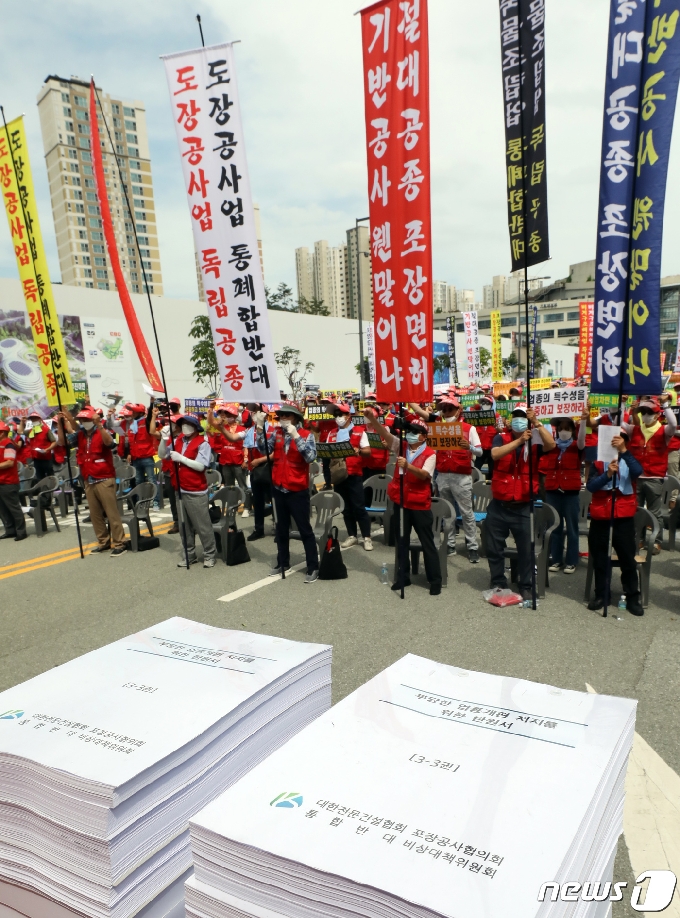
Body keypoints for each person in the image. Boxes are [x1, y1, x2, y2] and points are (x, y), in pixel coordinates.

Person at [363, 409, 442, 595]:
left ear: (423, 436)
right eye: (410, 431)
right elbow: (385, 434)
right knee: (402, 541)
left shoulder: (431, 453)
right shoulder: (402, 446)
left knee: (427, 542)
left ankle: (435, 580)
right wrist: (373, 419)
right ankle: (403, 577)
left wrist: (408, 466)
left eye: (415, 432)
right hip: (401, 502)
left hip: (420, 504)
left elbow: (425, 475)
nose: (411, 435)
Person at [486, 404, 556, 600]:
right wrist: (519, 442)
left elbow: (551, 445)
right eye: (516, 417)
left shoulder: (535, 438)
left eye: (523, 417)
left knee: (526, 549)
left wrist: (537, 424)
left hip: (523, 505)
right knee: (494, 547)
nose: (519, 420)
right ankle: (498, 580)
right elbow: (495, 454)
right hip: (499, 503)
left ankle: (525, 584)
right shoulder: (502, 437)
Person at [410, 396, 482, 561]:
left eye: (451, 408)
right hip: (442, 475)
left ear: (459, 410)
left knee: (466, 513)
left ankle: (472, 546)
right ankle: (449, 544)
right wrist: (407, 397)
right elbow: (419, 411)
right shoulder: (437, 426)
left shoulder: (468, 428)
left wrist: (469, 447)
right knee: (447, 513)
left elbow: (480, 451)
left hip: (462, 476)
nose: (447, 412)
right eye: (444, 409)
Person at [256, 401, 319, 582]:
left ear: (296, 418)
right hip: (278, 487)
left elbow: (310, 457)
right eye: (281, 416)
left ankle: (313, 566)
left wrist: (296, 436)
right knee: (281, 529)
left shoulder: (306, 435)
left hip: (297, 489)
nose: (283, 419)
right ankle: (283, 562)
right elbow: (262, 448)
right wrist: (260, 428)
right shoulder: (276, 433)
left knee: (304, 529)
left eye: (287, 416)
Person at [57, 407, 127, 556]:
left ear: (93, 421)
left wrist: (100, 425)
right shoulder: (80, 435)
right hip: (88, 478)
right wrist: (61, 422)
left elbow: (110, 443)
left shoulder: (101, 431)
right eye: (82, 420)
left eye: (86, 420)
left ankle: (120, 542)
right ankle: (103, 541)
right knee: (95, 514)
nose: (84, 423)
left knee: (111, 512)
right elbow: (63, 442)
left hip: (104, 477)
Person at [586, 433, 644, 615]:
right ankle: (602, 594)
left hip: (623, 516)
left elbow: (637, 472)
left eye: (620, 440)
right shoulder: (597, 462)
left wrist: (624, 451)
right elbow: (591, 486)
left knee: (627, 559)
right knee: (601, 559)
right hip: (601, 516)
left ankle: (633, 597)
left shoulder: (628, 457)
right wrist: (607, 474)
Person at [158, 413, 217, 568]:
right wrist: (164, 440)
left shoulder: (202, 442)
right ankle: (189, 554)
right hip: (180, 488)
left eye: (187, 423)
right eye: (182, 423)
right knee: (184, 526)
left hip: (195, 490)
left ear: (195, 427)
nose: (184, 426)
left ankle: (210, 553)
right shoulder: (178, 440)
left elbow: (201, 465)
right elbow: (162, 454)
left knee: (202, 525)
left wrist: (182, 459)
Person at [624, 396, 677, 554]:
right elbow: (618, 423)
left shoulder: (665, 430)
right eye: (643, 412)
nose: (645, 415)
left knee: (655, 512)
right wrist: (624, 405)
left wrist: (665, 404)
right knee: (637, 510)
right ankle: (638, 539)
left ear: (656, 414)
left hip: (654, 477)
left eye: (649, 412)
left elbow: (673, 423)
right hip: (636, 477)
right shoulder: (635, 429)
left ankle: (656, 541)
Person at [541, 412, 585, 575]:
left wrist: (584, 420)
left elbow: (581, 440)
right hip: (553, 490)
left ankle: (572, 561)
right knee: (556, 527)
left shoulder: (577, 446)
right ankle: (557, 558)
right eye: (560, 428)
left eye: (567, 428)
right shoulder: (552, 446)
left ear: (573, 430)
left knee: (572, 528)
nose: (563, 431)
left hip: (570, 492)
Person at [326, 403, 374, 550]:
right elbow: (328, 451)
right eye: (336, 415)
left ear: (348, 416)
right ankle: (352, 535)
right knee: (345, 507)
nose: (338, 418)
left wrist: (358, 450)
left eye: (340, 414)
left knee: (358, 506)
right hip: (339, 475)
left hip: (354, 474)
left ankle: (367, 537)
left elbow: (368, 451)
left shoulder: (359, 432)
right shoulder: (332, 433)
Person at [208, 403, 249, 508]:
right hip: (225, 461)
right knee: (228, 486)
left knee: (242, 485)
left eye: (227, 413)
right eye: (222, 413)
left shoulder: (242, 429)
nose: (224, 415)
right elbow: (211, 421)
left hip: (238, 462)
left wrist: (245, 460)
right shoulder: (221, 428)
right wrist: (211, 408)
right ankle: (231, 506)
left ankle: (247, 506)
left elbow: (246, 446)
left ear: (235, 416)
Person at [243, 405, 272, 542]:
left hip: (269, 470)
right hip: (255, 471)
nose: (253, 414)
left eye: (257, 411)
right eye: (252, 411)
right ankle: (258, 529)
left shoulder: (272, 429)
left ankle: (280, 527)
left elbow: (274, 453)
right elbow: (246, 447)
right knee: (258, 501)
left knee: (275, 501)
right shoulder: (250, 431)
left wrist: (259, 460)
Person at [149, 407, 181, 534]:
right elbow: (152, 431)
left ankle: (189, 523)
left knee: (183, 499)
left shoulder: (185, 437)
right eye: (168, 422)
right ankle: (177, 522)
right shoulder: (166, 434)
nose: (169, 425)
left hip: (180, 471)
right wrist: (153, 416)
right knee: (173, 499)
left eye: (172, 423)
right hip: (168, 471)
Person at [122, 402, 158, 495]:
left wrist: (151, 402)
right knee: (139, 482)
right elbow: (131, 442)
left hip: (147, 457)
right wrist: (129, 453)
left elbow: (150, 415)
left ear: (141, 413)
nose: (132, 413)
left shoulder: (146, 422)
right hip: (136, 458)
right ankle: (141, 501)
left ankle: (155, 502)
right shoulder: (132, 425)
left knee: (151, 480)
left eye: (134, 412)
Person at [0, 420, 27, 541]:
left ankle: (21, 531)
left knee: (13, 508)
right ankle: (10, 530)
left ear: (2, 433)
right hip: (2, 481)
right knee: (3, 509)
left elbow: (10, 462)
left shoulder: (8, 444)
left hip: (8, 482)